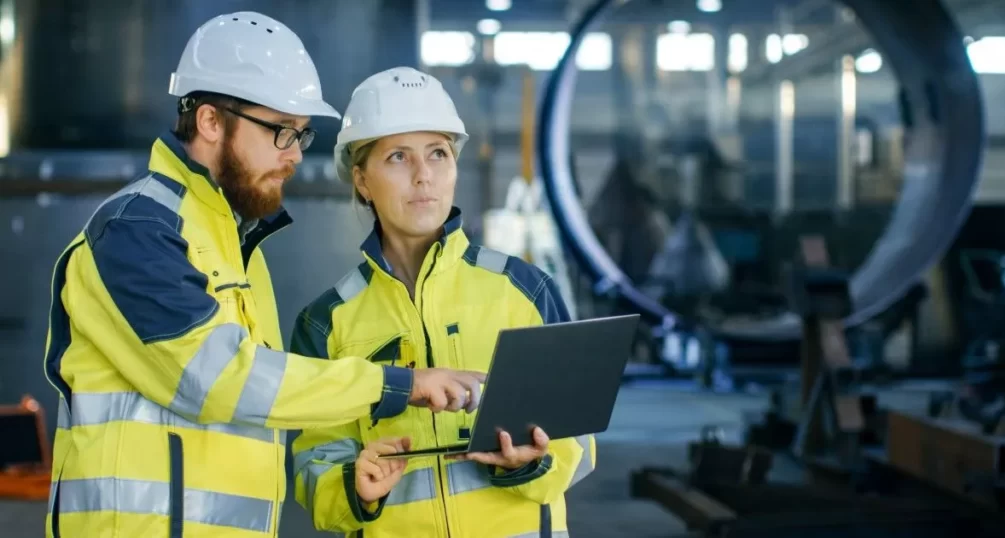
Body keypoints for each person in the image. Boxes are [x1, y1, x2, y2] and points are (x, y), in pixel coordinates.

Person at [42, 13, 485, 538]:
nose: (296, 155)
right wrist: (400, 385)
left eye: (300, 134)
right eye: (281, 132)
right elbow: (217, 379)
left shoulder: (238, 246)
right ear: (210, 122)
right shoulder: (137, 229)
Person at [290, 66, 597, 538]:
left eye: (438, 153)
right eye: (397, 157)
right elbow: (314, 470)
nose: (423, 176)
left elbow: (579, 442)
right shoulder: (325, 324)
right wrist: (355, 487)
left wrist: (528, 462)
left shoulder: (524, 289)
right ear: (362, 180)